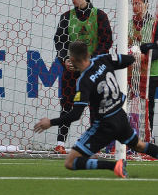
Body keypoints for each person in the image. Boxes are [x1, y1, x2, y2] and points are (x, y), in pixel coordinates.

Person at [34, 41, 158, 178]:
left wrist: (50, 122)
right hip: (120, 117)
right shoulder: (102, 59)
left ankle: (113, 166)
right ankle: (117, 165)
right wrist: (133, 56)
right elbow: (129, 60)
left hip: (104, 125)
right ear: (88, 54)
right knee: (139, 146)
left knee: (70, 162)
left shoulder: (84, 81)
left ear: (73, 59)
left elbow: (76, 114)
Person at [53, 0, 113, 153]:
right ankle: (61, 143)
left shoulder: (99, 16)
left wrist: (91, 61)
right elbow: (59, 41)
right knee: (66, 104)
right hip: (72, 68)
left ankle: (96, 145)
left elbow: (106, 41)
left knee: (96, 106)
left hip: (93, 70)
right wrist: (65, 59)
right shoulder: (66, 17)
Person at [128, 0, 157, 142]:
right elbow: (125, 45)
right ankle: (126, 138)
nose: (135, 7)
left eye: (138, 3)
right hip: (131, 72)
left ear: (146, 5)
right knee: (125, 104)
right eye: (133, 3)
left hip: (150, 72)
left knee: (147, 106)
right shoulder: (128, 24)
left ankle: (147, 138)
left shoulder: (154, 23)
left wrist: (147, 56)